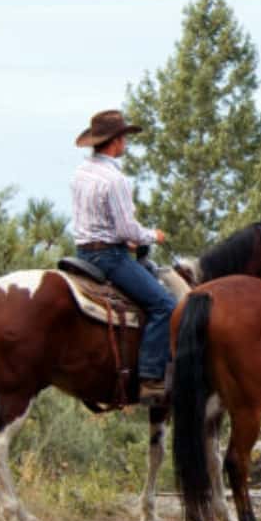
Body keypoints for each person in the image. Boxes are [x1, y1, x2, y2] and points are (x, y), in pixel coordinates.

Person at [71, 109, 174, 406]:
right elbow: (126, 228)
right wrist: (153, 235)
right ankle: (151, 378)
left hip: (82, 253)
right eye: (124, 138)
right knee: (165, 305)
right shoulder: (115, 180)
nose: (126, 143)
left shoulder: (81, 173)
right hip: (109, 257)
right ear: (116, 141)